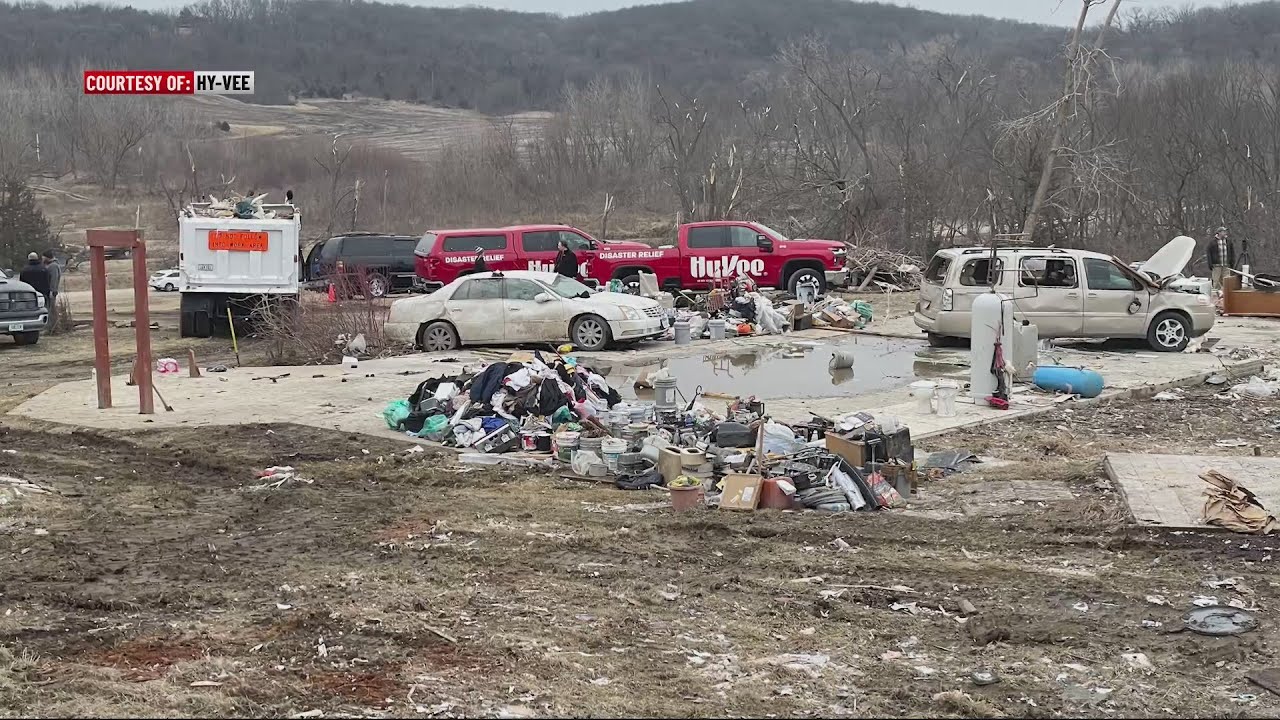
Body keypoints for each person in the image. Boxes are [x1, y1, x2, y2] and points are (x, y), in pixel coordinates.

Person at [1206, 226, 1236, 293]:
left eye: (1225, 231)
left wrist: (1232, 262)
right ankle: (1215, 295)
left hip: (1226, 265)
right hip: (1216, 265)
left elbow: (1232, 252)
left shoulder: (1228, 242)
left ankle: (1227, 295)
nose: (1225, 233)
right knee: (1216, 281)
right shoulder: (1212, 242)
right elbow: (1209, 253)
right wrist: (1210, 264)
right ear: (1219, 233)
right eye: (1223, 231)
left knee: (1227, 281)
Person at [41, 249, 62, 328]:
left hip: (51, 291)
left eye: (43, 257)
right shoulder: (51, 265)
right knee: (50, 308)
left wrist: (52, 291)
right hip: (50, 290)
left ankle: (53, 326)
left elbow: (54, 279)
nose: (42, 259)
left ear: (47, 257)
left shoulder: (53, 266)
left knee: (51, 309)